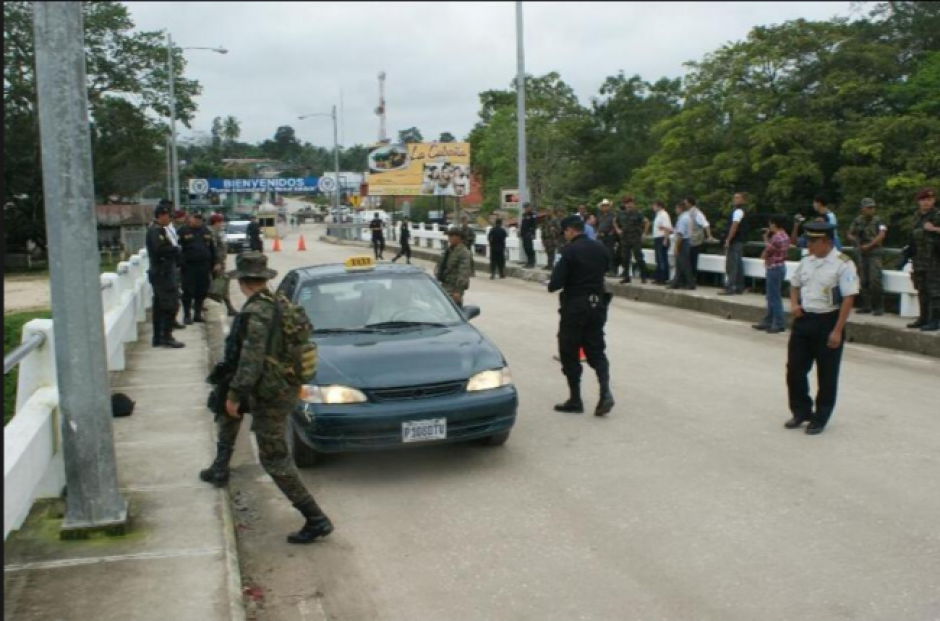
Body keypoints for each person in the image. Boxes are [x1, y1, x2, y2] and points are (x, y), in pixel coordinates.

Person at [200, 251, 334, 544]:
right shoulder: (280, 303)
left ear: (243, 282)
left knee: (273, 457)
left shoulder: (256, 313)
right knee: (226, 414)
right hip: (280, 385)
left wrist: (236, 394)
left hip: (268, 392)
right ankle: (220, 467)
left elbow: (251, 360)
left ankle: (315, 518)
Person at [785, 221, 859, 435]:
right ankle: (801, 411)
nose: (808, 245)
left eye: (812, 241)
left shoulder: (843, 264)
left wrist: (837, 330)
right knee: (795, 370)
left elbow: (848, 298)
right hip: (804, 320)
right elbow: (795, 284)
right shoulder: (806, 261)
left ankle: (820, 417)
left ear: (826, 242)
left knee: (827, 374)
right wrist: (794, 304)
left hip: (828, 321)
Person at [547, 216, 614, 417]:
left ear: (569, 230)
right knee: (596, 349)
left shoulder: (569, 251)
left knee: (569, 351)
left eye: (565, 232)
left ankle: (575, 399)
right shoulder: (600, 248)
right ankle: (605, 392)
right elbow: (606, 269)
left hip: (575, 306)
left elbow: (555, 284)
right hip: (597, 304)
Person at [145, 205, 185, 348]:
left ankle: (159, 337)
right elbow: (160, 249)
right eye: (168, 216)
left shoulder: (159, 230)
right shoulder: (155, 231)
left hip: (164, 273)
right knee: (169, 305)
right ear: (161, 215)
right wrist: (176, 249)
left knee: (160, 306)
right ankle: (166, 336)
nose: (170, 219)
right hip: (162, 274)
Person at [845, 198, 888, 315]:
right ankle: (866, 305)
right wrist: (856, 241)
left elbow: (882, 234)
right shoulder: (857, 221)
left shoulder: (879, 220)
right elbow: (849, 234)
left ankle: (878, 306)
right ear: (862, 209)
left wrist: (870, 245)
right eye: (868, 208)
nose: (870, 210)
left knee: (875, 279)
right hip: (861, 252)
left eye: (872, 208)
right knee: (863, 279)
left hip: (874, 252)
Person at [907, 188, 940, 331]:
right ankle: (923, 318)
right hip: (919, 259)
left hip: (935, 259)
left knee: (935, 291)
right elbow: (913, 238)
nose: (927, 202)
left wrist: (934, 229)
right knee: (922, 289)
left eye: (930, 200)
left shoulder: (937, 215)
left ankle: (935, 320)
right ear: (919, 202)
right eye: (924, 200)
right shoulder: (916, 217)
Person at [752, 215, 790, 334]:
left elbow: (765, 254)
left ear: (774, 224)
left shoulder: (776, 238)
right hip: (781, 266)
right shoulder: (785, 236)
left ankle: (778, 323)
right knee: (772, 296)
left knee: (773, 297)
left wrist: (765, 238)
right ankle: (768, 321)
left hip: (773, 268)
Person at [178, 213, 216, 325]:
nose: (198, 221)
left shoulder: (206, 231)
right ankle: (187, 316)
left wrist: (215, 263)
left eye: (200, 219)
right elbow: (178, 249)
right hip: (189, 267)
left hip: (204, 266)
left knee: (202, 291)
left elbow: (212, 248)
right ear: (190, 219)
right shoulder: (182, 231)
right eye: (196, 219)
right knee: (188, 291)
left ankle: (197, 315)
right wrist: (180, 264)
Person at [614, 197, 649, 284]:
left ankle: (643, 276)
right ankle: (626, 277)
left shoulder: (638, 213)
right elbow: (614, 221)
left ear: (633, 204)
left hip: (635, 238)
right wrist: (617, 229)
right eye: (627, 203)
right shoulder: (621, 214)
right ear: (625, 205)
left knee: (638, 257)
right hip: (625, 238)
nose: (629, 205)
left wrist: (644, 234)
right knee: (625, 258)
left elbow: (647, 222)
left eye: (630, 203)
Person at [209, 214, 238, 317]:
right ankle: (228, 308)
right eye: (220, 222)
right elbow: (214, 250)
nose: (222, 224)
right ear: (216, 222)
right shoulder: (212, 233)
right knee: (220, 285)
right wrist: (217, 262)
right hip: (216, 264)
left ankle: (228, 308)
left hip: (220, 263)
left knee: (222, 284)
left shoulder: (218, 232)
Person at [721, 192, 750, 295]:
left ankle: (730, 287)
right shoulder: (743, 211)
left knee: (732, 265)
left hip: (735, 241)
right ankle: (739, 287)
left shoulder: (738, 211)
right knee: (738, 264)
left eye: (738, 198)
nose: (735, 199)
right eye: (734, 198)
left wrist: (728, 239)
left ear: (743, 200)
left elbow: (734, 226)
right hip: (740, 241)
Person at [436, 228, 473, 306]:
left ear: (459, 237)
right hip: (444, 284)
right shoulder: (448, 250)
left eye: (451, 236)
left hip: (454, 288)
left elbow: (463, 273)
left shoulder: (464, 252)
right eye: (449, 236)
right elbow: (440, 264)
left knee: (453, 309)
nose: (449, 238)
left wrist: (458, 291)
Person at [668, 201, 696, 290]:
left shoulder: (683, 219)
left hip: (683, 242)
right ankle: (676, 282)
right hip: (686, 241)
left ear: (680, 209)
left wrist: (676, 247)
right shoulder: (687, 217)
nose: (675, 210)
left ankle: (690, 283)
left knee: (684, 264)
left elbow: (680, 234)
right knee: (679, 265)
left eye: (676, 208)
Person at [684, 197, 714, 276]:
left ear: (690, 203)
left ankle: (692, 277)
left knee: (693, 260)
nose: (684, 205)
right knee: (689, 260)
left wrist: (709, 236)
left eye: (685, 203)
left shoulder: (697, 213)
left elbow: (705, 224)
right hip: (689, 240)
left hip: (695, 241)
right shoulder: (688, 213)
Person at [651, 200, 672, 285]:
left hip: (662, 238)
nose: (653, 207)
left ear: (659, 206)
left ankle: (663, 278)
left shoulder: (664, 215)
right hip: (657, 238)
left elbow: (668, 228)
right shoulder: (658, 215)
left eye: (654, 206)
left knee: (662, 259)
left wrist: (665, 239)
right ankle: (658, 277)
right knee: (658, 259)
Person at [596, 199, 619, 277]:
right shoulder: (599, 215)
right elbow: (597, 224)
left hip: (609, 236)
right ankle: (603, 270)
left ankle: (612, 270)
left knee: (610, 253)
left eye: (606, 206)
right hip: (600, 236)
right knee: (601, 253)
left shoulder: (613, 215)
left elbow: (616, 224)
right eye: (603, 206)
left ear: (609, 207)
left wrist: (612, 231)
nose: (604, 207)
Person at [520, 203, 538, 268]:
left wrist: (533, 233)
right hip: (524, 234)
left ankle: (532, 262)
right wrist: (521, 233)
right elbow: (523, 224)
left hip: (529, 234)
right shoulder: (524, 215)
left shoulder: (533, 214)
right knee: (525, 248)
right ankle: (528, 262)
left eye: (527, 207)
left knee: (529, 248)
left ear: (529, 207)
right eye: (525, 208)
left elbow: (535, 225)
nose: (526, 209)